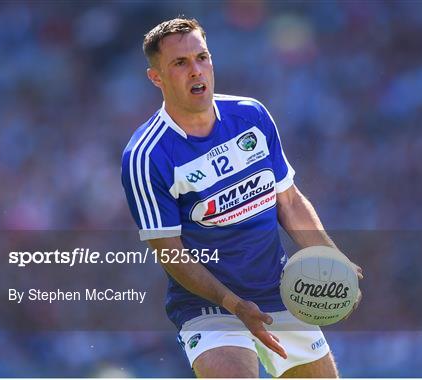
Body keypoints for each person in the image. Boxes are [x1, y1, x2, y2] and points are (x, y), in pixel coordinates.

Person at [121, 17, 363, 378]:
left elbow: (290, 202)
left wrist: (332, 258)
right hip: (209, 306)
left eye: (202, 57)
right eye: (180, 63)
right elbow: (169, 252)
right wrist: (232, 303)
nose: (196, 70)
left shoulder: (251, 115)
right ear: (156, 77)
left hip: (280, 293)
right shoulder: (146, 155)